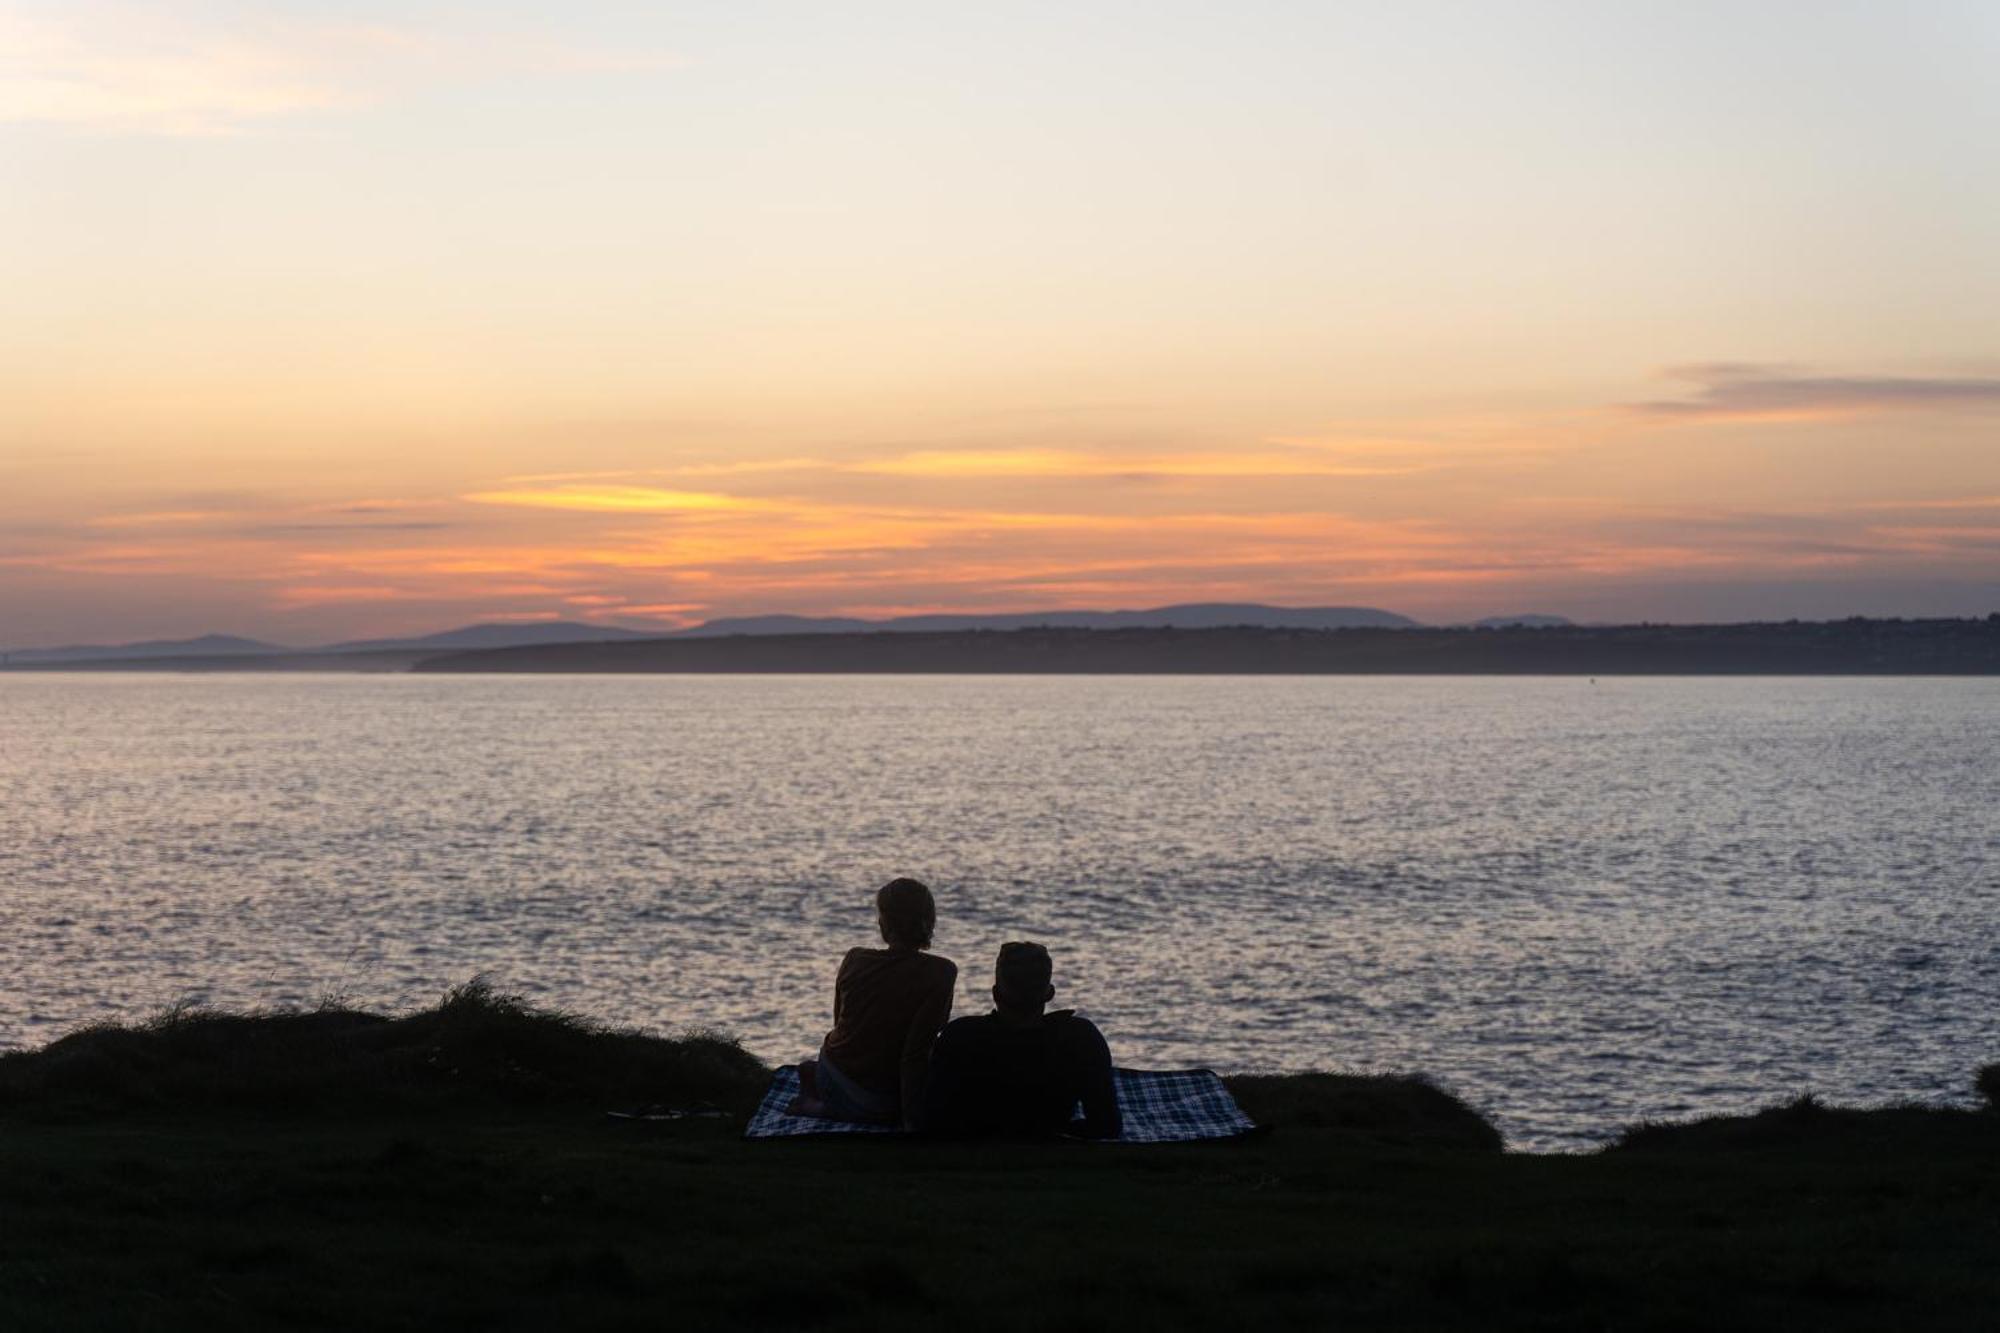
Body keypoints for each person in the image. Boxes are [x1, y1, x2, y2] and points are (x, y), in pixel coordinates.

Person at [795, 877, 957, 1129]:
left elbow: (840, 1024)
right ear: (930, 921)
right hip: (879, 1098)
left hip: (836, 1071)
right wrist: (912, 1123)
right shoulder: (941, 972)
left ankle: (816, 1080)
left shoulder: (854, 959)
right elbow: (915, 1053)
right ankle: (814, 1105)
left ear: (884, 923)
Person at [922, 941, 1122, 1140]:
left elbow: (935, 1118)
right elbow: (1107, 1125)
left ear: (995, 993)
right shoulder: (1080, 1038)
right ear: (1050, 993)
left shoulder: (960, 1036)